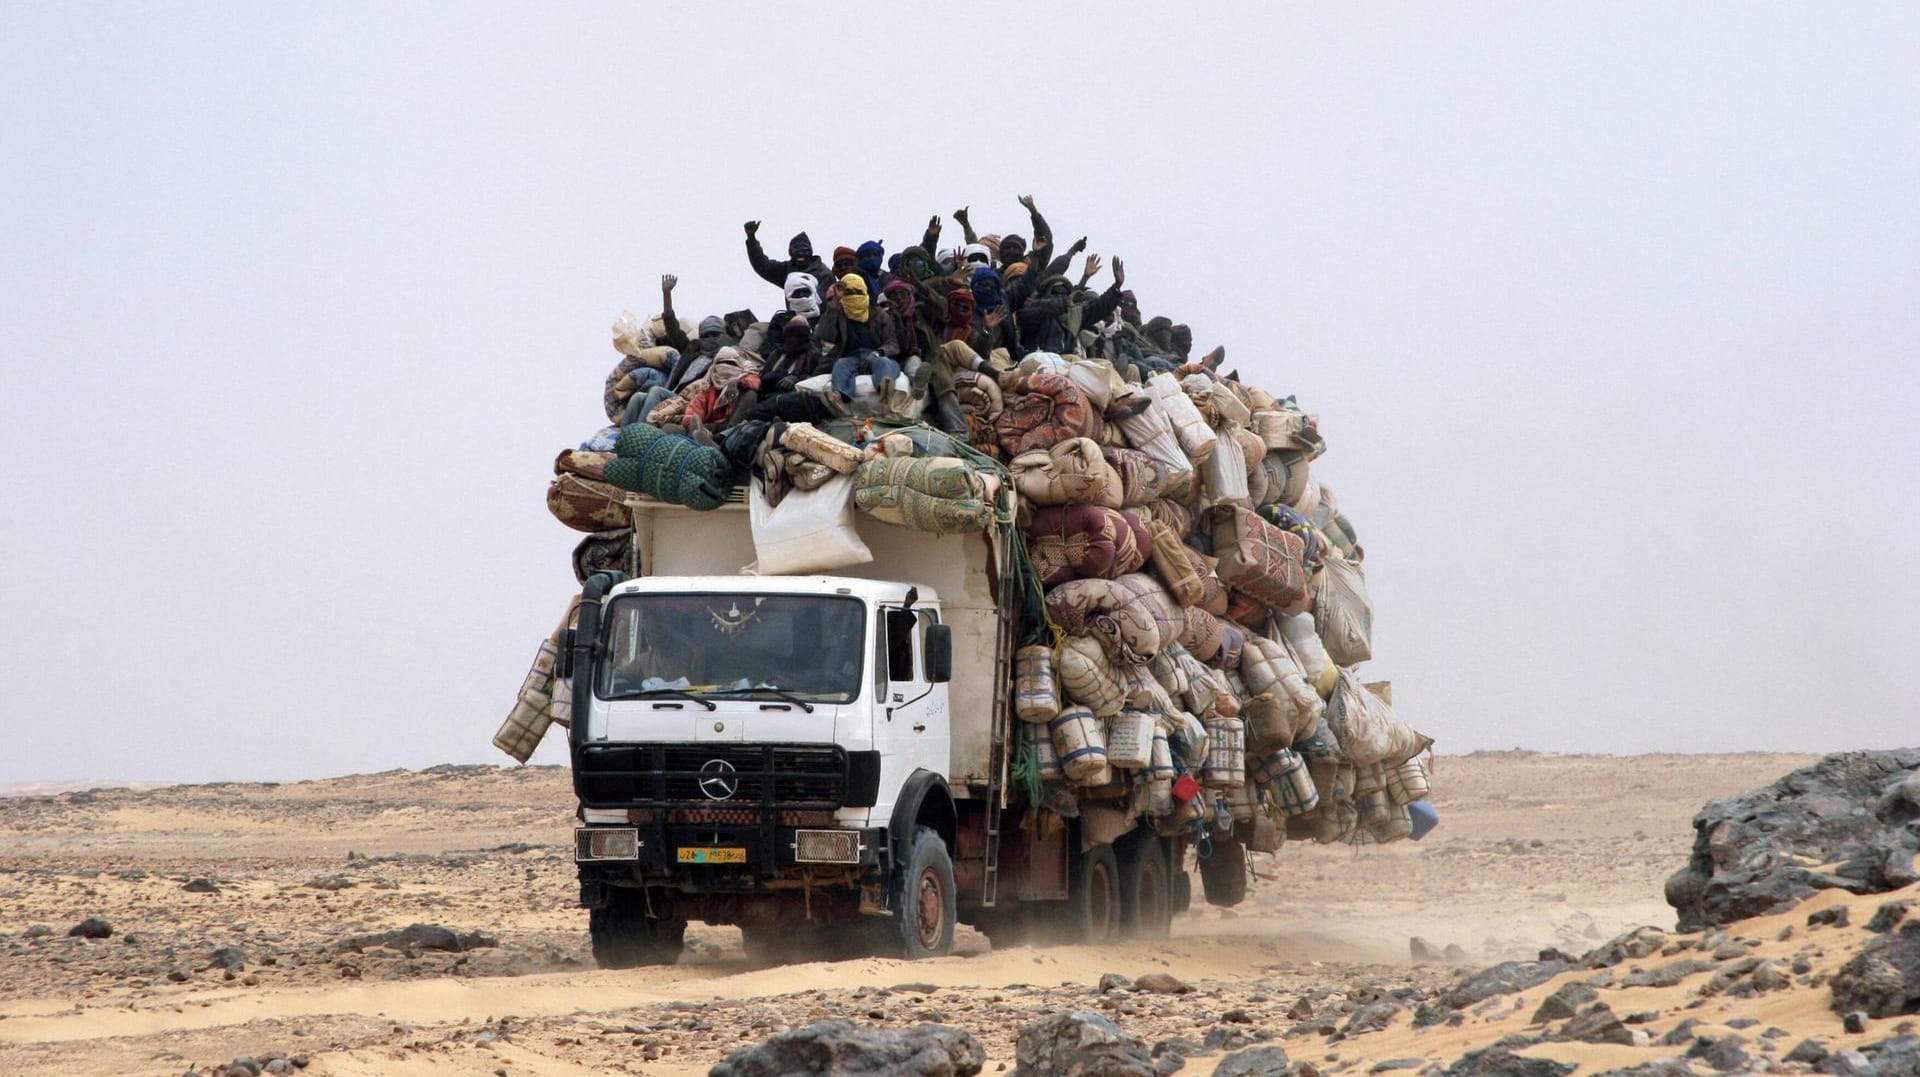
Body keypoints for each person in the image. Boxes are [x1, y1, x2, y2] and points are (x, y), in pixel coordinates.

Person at [1017, 257, 1126, 356]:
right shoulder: (1034, 309)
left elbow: (1098, 306)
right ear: (1045, 293)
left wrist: (1116, 287)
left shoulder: (1075, 314)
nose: (1060, 295)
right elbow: (1030, 313)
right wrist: (1063, 303)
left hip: (1065, 362)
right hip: (1035, 358)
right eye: (1055, 291)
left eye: (1064, 293)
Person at [743, 222, 831, 291]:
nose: (801, 254)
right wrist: (751, 238)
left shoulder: (824, 274)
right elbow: (762, 266)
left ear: (811, 252)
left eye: (805, 250)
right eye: (797, 251)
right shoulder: (787, 270)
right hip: (795, 313)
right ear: (790, 253)